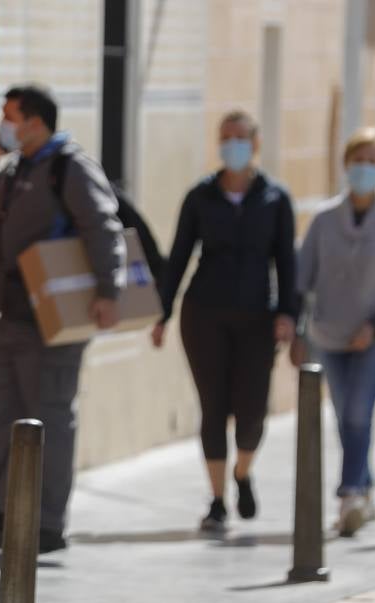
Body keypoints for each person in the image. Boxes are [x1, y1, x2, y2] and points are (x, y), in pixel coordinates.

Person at [0, 83, 125, 554]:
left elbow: (103, 225)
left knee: (48, 414)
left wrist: (109, 292)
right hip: (16, 312)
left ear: (35, 122)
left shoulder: (69, 166)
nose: (3, 122)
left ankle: (47, 523)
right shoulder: (16, 167)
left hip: (59, 314)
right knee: (1, 408)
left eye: (9, 115)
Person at [152, 109, 298, 533]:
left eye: (239, 137)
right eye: (224, 137)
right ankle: (217, 499)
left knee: (252, 410)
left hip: (257, 316)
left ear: (255, 144)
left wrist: (288, 313)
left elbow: (287, 261)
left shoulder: (275, 198)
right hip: (204, 313)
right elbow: (178, 257)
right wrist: (162, 312)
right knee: (213, 407)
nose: (231, 144)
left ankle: (243, 472)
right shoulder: (201, 196)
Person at [294, 127, 375, 536]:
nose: (364, 168)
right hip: (329, 335)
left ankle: (349, 494)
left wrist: (373, 326)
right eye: (358, 160)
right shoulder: (325, 219)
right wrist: (299, 331)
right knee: (344, 413)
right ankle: (364, 485)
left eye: (373, 161)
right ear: (346, 164)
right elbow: (302, 279)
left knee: (358, 411)